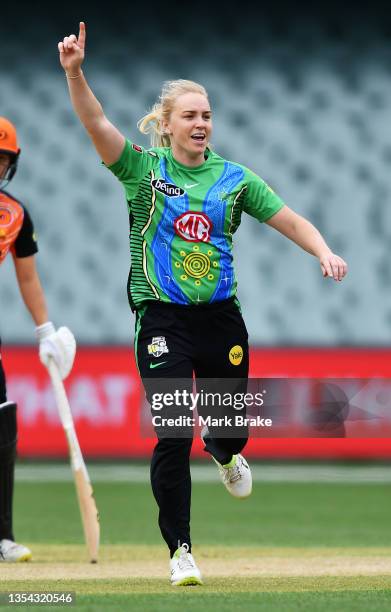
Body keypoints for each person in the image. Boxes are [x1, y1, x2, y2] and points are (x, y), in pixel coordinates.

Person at [58, 22, 348, 586]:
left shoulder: (233, 179)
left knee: (227, 429)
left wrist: (323, 250)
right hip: (161, 316)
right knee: (171, 432)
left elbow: (287, 218)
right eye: (189, 115)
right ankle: (181, 551)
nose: (201, 123)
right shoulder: (144, 170)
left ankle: (226, 451)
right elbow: (96, 122)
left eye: (207, 114)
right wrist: (75, 73)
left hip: (220, 319)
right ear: (165, 126)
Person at [0, 117, 76, 562]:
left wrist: (44, 329)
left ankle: (2, 535)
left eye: (2, 160)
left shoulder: (13, 214)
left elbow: (27, 277)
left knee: (1, 422)